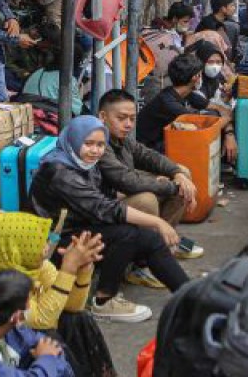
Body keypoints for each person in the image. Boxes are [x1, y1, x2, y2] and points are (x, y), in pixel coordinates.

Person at [29, 116, 191, 323]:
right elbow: (104, 207)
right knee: (129, 234)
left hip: (82, 229)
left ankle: (190, 297)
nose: (95, 151)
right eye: (88, 144)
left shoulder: (84, 163)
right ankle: (104, 302)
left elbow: (109, 194)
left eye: (100, 145)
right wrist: (159, 222)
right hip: (55, 246)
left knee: (150, 239)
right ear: (74, 141)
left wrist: (162, 183)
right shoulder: (60, 172)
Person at [0, 214, 101, 339]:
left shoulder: (33, 266)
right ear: (12, 247)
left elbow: (72, 307)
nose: (46, 248)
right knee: (50, 341)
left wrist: (82, 271)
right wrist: (68, 269)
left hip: (1, 340)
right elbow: (42, 320)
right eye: (37, 243)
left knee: (78, 320)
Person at [96, 89, 205, 269]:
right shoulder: (97, 142)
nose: (128, 124)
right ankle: (142, 262)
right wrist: (172, 186)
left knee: (182, 174)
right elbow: (125, 180)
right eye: (121, 118)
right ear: (103, 116)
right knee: (147, 200)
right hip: (102, 209)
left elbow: (148, 156)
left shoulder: (122, 138)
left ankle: (164, 245)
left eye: (132, 118)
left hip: (119, 197)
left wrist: (176, 173)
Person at [135, 54, 231, 154]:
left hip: (160, 142)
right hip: (147, 149)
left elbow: (217, 108)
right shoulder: (169, 103)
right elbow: (204, 130)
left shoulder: (183, 93)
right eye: (200, 74)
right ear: (195, 77)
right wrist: (228, 120)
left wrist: (227, 124)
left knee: (213, 114)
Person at [196, 0, 239, 64]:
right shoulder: (207, 23)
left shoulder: (231, 22)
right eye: (232, 5)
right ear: (223, 8)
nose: (234, 8)